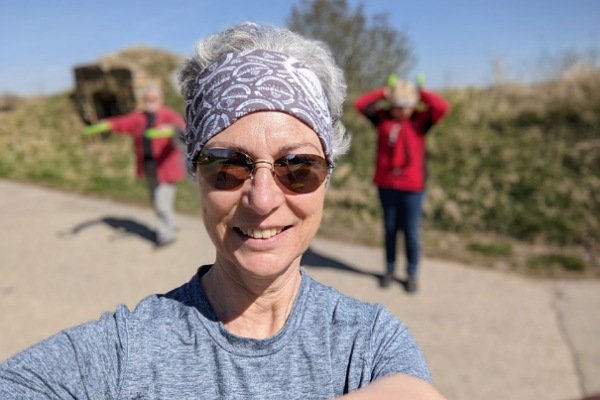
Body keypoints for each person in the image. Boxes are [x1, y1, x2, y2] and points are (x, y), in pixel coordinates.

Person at [0, 23, 447, 399]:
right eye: (228, 166)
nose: (263, 199)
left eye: (298, 168)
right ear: (196, 172)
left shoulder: (367, 344)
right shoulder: (128, 351)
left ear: (327, 174)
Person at [355, 73, 449, 293]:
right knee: (390, 230)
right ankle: (389, 269)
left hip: (413, 188)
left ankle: (412, 273)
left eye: (407, 105)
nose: (402, 110)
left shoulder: (420, 120)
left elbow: (441, 108)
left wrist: (421, 92)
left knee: (411, 232)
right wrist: (384, 92)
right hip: (386, 185)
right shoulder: (382, 118)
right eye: (398, 105)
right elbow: (361, 104)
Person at [82, 83, 186, 247]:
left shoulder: (168, 115)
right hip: (149, 166)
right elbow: (122, 122)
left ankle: (166, 235)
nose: (150, 101)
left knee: (161, 202)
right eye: (147, 99)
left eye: (153, 98)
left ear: (160, 99)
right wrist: (105, 124)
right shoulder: (140, 117)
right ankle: (171, 224)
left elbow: (180, 127)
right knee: (156, 201)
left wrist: (169, 129)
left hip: (166, 167)